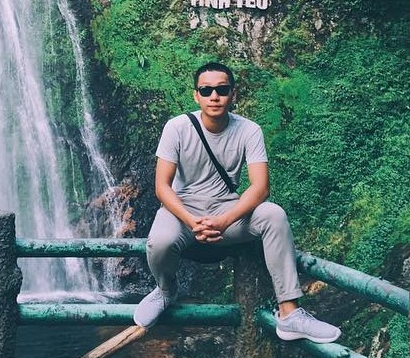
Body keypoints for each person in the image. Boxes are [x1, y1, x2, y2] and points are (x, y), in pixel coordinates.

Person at [134, 61, 341, 343]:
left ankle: (289, 312)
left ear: (233, 94)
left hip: (226, 210)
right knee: (159, 242)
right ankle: (166, 289)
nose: (214, 96)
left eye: (222, 89)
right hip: (182, 211)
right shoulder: (177, 127)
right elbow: (162, 187)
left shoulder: (249, 130)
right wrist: (190, 220)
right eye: (206, 90)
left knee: (274, 215)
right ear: (196, 95)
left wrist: (224, 220)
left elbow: (260, 187)